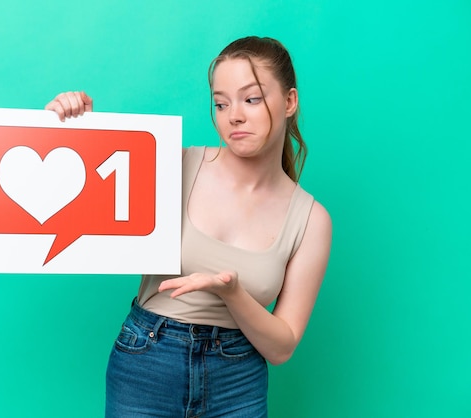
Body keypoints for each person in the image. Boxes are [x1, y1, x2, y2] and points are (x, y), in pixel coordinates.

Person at [45, 36, 332, 418]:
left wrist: (233, 293)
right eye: (220, 102)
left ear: (290, 102)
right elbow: (77, 199)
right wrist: (74, 128)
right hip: (146, 360)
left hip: (238, 380)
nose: (234, 116)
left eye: (252, 99)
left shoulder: (311, 220)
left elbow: (282, 347)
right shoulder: (171, 164)